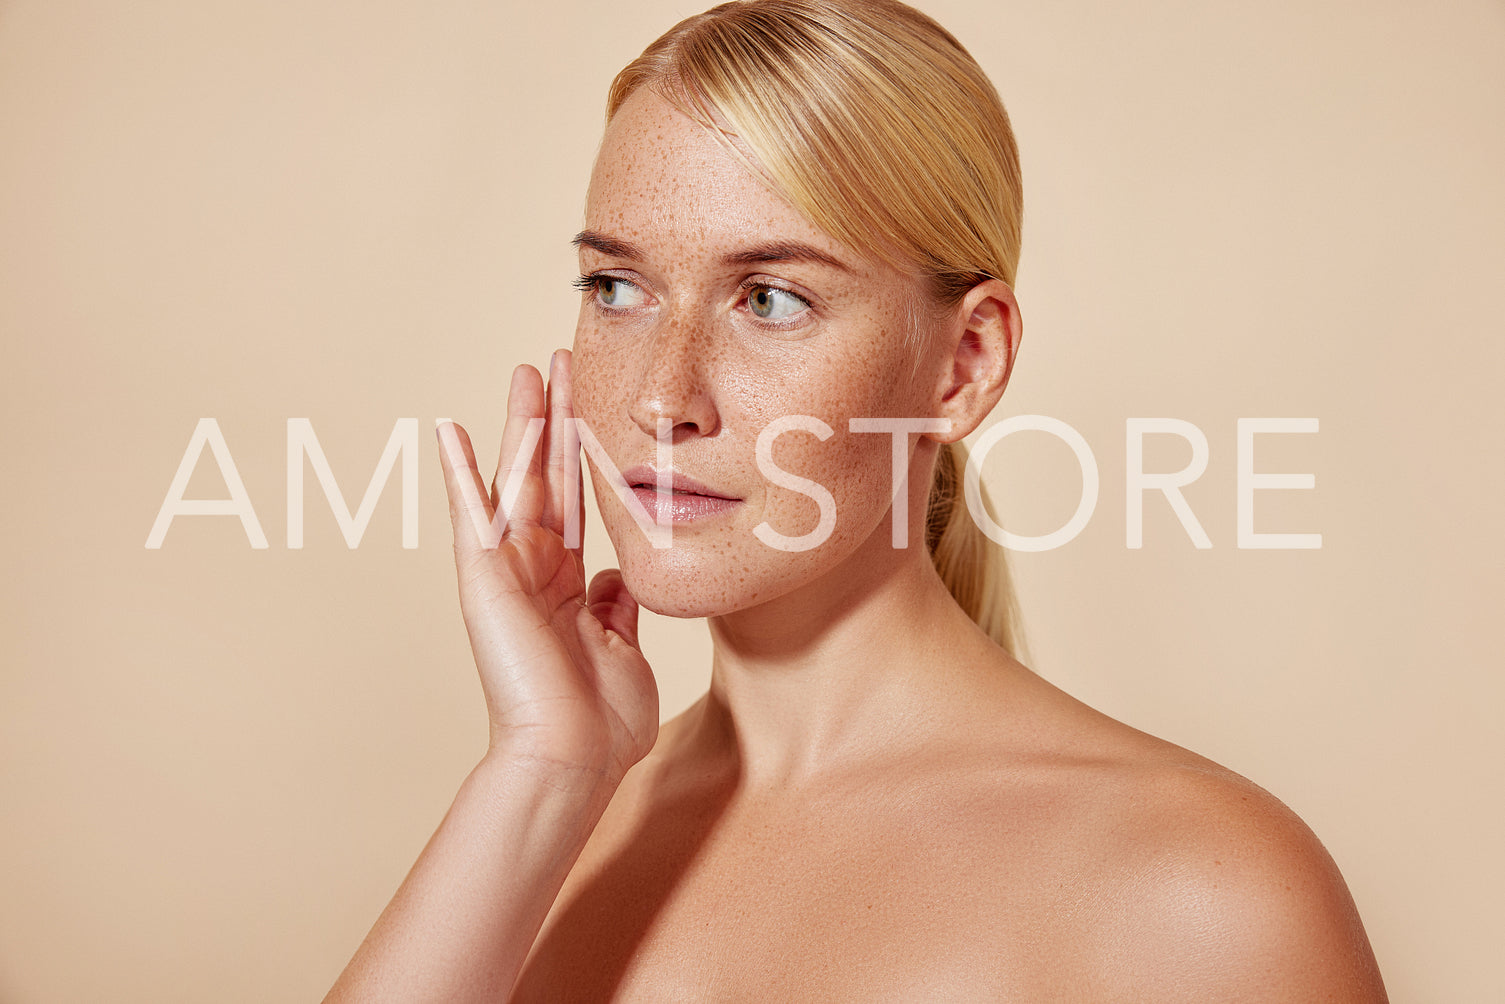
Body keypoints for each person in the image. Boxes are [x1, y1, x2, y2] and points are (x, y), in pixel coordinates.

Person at [326, 0, 1388, 999]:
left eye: (771, 299)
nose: (660, 396)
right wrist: (541, 767)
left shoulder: (1202, 895)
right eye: (616, 287)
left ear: (963, 363)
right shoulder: (544, 833)